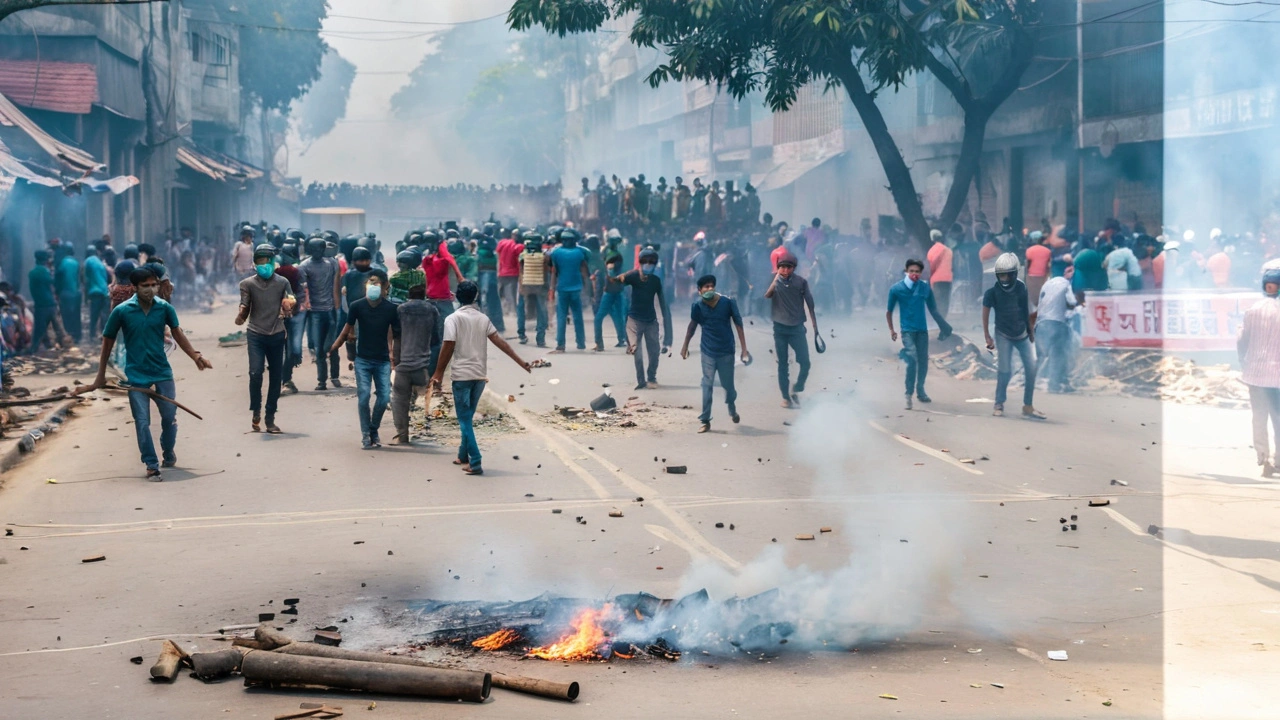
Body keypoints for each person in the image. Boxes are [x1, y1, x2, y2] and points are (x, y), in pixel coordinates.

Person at [76, 267, 213, 480]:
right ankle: (150, 463)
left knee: (169, 417)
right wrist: (100, 375)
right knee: (142, 420)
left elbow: (178, 334)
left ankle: (168, 450)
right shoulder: (122, 311)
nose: (150, 289)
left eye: (153, 285)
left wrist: (196, 356)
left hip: (161, 371)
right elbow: (107, 343)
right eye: (145, 286)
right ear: (135, 288)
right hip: (136, 374)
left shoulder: (165, 308)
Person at [430, 281, 532, 475]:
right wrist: (521, 362)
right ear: (475, 297)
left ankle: (475, 460)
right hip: (479, 375)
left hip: (461, 376)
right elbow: (500, 342)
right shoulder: (483, 319)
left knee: (464, 419)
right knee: (467, 416)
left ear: (456, 297)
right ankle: (463, 454)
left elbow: (448, 346)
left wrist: (438, 372)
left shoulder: (452, 319)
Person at [329, 269, 399, 449]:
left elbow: (396, 334)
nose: (374, 289)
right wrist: (334, 347)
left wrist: (394, 357)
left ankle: (373, 428)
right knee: (364, 397)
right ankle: (366, 435)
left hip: (383, 360)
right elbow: (347, 329)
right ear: (366, 288)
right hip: (363, 360)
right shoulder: (357, 306)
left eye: (377, 285)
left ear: (383, 288)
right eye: (371, 285)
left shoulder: (391, 309)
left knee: (383, 398)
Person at [236, 244, 295, 433]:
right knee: (255, 372)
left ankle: (270, 417)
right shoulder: (247, 284)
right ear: (255, 263)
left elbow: (291, 299)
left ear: (272, 262)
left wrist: (289, 306)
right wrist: (241, 313)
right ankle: (255, 410)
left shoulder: (283, 282)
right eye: (260, 261)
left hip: (277, 333)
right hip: (256, 334)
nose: (264, 265)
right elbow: (244, 304)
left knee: (276, 377)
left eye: (266, 261)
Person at [679, 275, 749, 433]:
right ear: (699, 291)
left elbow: (739, 324)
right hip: (708, 351)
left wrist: (744, 348)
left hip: (726, 351)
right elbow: (692, 326)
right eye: (706, 287)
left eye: (712, 286)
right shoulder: (697, 306)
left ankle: (731, 407)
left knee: (728, 386)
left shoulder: (728, 302)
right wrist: (685, 346)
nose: (709, 289)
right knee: (707, 384)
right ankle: (705, 420)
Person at [984, 253, 1045, 419]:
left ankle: (1028, 405)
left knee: (1031, 367)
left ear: (1014, 274)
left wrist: (1030, 332)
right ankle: (999, 402)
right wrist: (987, 336)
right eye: (1001, 275)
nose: (1003, 278)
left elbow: (1025, 310)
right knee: (1005, 369)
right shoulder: (993, 292)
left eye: (1006, 274)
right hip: (1003, 333)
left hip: (1022, 333)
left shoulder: (1020, 288)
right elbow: (985, 312)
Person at [886, 258, 953, 409]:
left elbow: (933, 310)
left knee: (923, 360)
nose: (914, 274)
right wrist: (892, 330)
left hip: (922, 331)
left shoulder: (924, 288)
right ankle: (908, 393)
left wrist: (944, 326)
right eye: (911, 271)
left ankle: (920, 390)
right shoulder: (897, 289)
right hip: (907, 331)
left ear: (921, 273)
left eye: (917, 271)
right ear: (906, 271)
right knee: (912, 358)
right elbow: (889, 311)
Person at [611, 247, 673, 390]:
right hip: (634, 321)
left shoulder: (656, 281)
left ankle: (651, 376)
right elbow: (616, 281)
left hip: (651, 321)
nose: (648, 264)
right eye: (645, 261)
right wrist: (612, 272)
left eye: (651, 262)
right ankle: (641, 381)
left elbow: (663, 304)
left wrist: (666, 324)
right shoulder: (633, 276)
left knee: (654, 352)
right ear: (640, 262)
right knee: (637, 352)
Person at [1238, 268, 1280, 476]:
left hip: (1255, 374)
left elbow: (1241, 341)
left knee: (1259, 417)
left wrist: (1243, 362)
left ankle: (1264, 459)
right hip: (1277, 377)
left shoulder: (1252, 310)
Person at [765, 251, 818, 408]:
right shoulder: (774, 281)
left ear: (794, 268)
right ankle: (785, 397)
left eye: (788, 268)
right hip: (779, 329)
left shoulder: (801, 282)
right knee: (783, 364)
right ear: (778, 268)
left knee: (805, 362)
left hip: (797, 329)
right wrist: (776, 279)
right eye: (782, 267)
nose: (785, 271)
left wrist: (814, 326)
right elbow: (767, 295)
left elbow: (810, 304)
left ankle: (798, 386)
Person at [390, 284, 440, 445]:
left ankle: (402, 435)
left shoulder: (400, 310)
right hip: (422, 368)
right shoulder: (432, 310)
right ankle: (420, 426)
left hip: (402, 366)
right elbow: (435, 340)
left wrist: (394, 360)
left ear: (409, 296)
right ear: (424, 295)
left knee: (399, 399)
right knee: (419, 398)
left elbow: (395, 335)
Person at [298, 237, 343, 390]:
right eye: (315, 249)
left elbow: (336, 285)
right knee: (319, 348)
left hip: (330, 310)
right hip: (315, 312)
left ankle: (335, 376)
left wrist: (337, 306)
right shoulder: (304, 266)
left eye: (320, 249)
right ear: (309, 250)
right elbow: (303, 289)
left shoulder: (332, 264)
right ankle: (322, 380)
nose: (318, 252)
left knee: (332, 346)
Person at [421, 232, 465, 374]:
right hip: (441, 301)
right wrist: (460, 277)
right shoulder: (438, 261)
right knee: (446, 335)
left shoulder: (426, 260)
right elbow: (449, 259)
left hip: (432, 298)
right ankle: (436, 370)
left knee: (434, 337)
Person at [1036, 265, 1078, 394]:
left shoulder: (1046, 284)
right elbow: (1072, 301)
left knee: (1040, 356)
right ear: (1066, 274)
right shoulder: (1066, 284)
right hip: (1056, 323)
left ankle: (1030, 381)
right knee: (1058, 355)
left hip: (1040, 324)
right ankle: (1054, 385)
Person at [548, 229, 591, 353]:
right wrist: (588, 290)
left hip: (562, 289)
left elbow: (554, 272)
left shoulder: (556, 253)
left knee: (561, 317)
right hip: (576, 289)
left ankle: (561, 345)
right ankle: (581, 343)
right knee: (578, 316)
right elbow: (585, 273)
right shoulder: (579, 253)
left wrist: (552, 288)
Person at [275, 243, 306, 395]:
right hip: (289, 314)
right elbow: (300, 292)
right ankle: (286, 379)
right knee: (288, 350)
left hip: (278, 316)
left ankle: (282, 381)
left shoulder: (276, 272)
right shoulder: (296, 271)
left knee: (279, 350)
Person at [517, 233, 549, 347]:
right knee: (541, 309)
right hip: (539, 285)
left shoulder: (522, 255)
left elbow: (520, 272)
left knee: (521, 308)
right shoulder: (545, 256)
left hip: (525, 284)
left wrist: (521, 286)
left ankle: (521, 334)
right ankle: (540, 338)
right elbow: (546, 272)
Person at [594, 252, 628, 352]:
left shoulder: (610, 266)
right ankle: (622, 339)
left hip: (609, 293)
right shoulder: (620, 265)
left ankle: (599, 343)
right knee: (618, 316)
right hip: (619, 292)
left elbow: (611, 279)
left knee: (599, 318)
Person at [26, 250, 58, 354]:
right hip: (49, 304)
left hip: (40, 305)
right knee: (57, 329)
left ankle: (35, 348)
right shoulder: (45, 271)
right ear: (45, 260)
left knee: (39, 330)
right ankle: (63, 346)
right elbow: (52, 284)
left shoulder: (32, 273)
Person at [53, 245, 82, 342]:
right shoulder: (76, 263)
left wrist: (57, 292)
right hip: (76, 293)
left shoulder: (62, 263)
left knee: (66, 315)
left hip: (65, 293)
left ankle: (69, 334)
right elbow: (79, 279)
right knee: (76, 315)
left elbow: (58, 279)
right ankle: (78, 336)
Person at [496, 230, 524, 322]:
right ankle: (512, 312)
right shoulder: (519, 246)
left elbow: (498, 254)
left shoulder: (501, 243)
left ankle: (502, 311)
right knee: (512, 293)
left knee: (501, 293)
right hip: (513, 273)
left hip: (501, 272)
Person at [84, 245, 111, 339]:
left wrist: (85, 297)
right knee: (104, 315)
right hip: (105, 291)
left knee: (94, 315)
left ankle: (92, 335)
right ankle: (105, 335)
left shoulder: (88, 261)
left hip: (95, 291)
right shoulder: (100, 262)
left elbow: (86, 279)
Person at [925, 230, 953, 320]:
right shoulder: (948, 250)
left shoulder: (931, 251)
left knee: (937, 300)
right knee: (945, 300)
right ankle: (943, 319)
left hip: (936, 279)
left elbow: (931, 266)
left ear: (932, 239)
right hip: (947, 278)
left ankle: (938, 321)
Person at [1024, 231, 1052, 304]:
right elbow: (1049, 266)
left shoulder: (1029, 250)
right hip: (1043, 276)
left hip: (1031, 276)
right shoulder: (1048, 251)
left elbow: (1027, 265)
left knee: (1033, 299)